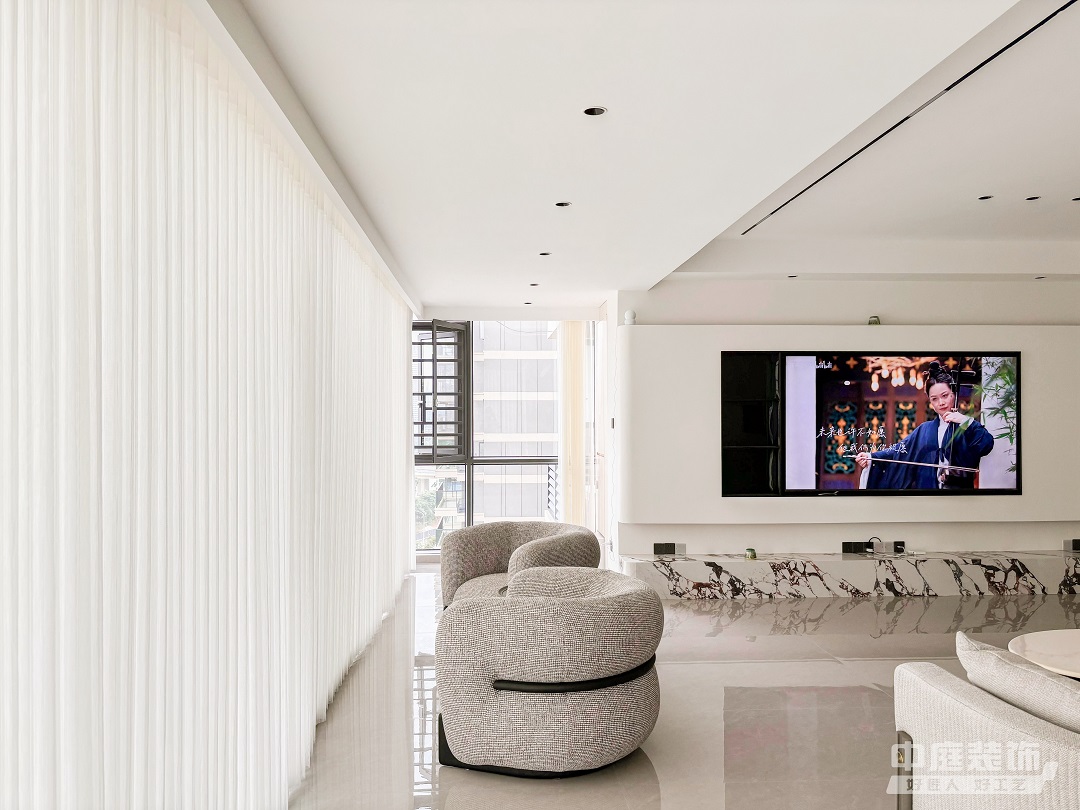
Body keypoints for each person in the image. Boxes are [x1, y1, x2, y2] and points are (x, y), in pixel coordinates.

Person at [854, 363, 994, 490]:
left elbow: (986, 444)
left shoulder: (966, 425)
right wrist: (871, 458)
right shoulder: (924, 429)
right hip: (927, 493)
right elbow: (899, 450)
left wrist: (965, 421)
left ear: (954, 394)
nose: (941, 402)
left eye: (945, 395)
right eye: (934, 399)